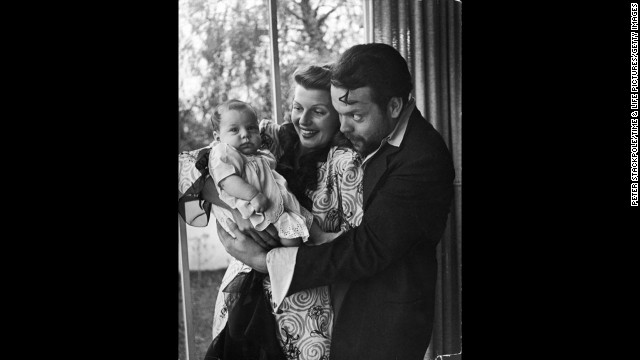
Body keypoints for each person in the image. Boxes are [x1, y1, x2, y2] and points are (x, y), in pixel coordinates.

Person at [217, 43, 455, 360]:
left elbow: (367, 248)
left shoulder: (422, 158)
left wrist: (265, 262)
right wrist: (234, 204)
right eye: (340, 114)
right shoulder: (364, 134)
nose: (343, 127)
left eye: (355, 115)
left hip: (380, 324)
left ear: (395, 106)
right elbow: (218, 157)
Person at [177, 64, 364, 360]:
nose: (304, 120)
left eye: (318, 111)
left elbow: (352, 250)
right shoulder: (269, 137)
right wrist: (233, 204)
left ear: (339, 114)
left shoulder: (346, 163)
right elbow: (190, 165)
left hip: (302, 314)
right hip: (240, 297)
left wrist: (262, 259)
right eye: (297, 107)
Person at [206, 98, 335, 247]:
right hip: (257, 206)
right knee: (288, 240)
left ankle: (318, 238)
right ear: (217, 136)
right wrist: (252, 195)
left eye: (251, 128)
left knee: (300, 220)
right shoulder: (224, 153)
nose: (245, 134)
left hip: (278, 202)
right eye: (234, 130)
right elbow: (227, 180)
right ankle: (287, 259)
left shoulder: (259, 154)